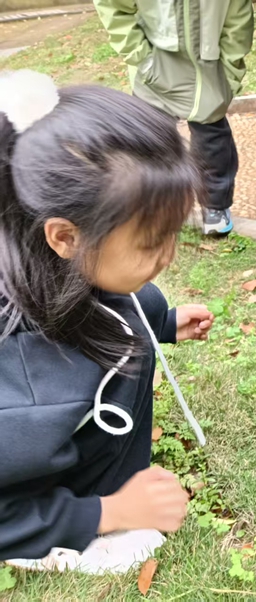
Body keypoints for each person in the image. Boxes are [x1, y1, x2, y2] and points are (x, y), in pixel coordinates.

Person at [0, 71, 214, 572]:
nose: (169, 256)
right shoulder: (29, 387)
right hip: (36, 506)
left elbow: (114, 303)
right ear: (65, 237)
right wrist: (108, 511)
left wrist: (162, 322)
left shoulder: (49, 256)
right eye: (150, 244)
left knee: (143, 300)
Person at [93, 0, 254, 236]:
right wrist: (141, 57)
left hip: (207, 65)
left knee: (211, 137)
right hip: (155, 61)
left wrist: (231, 72)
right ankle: (156, 206)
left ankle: (215, 207)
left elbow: (237, 19)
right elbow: (112, 6)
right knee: (150, 141)